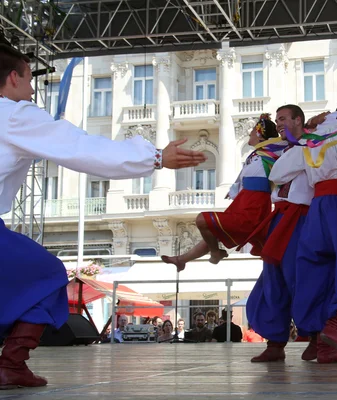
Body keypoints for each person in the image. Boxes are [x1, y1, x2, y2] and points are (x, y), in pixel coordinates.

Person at [0, 44, 206, 390]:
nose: (33, 89)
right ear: (12, 77)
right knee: (47, 274)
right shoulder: (14, 114)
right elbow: (80, 148)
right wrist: (154, 158)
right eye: (28, 78)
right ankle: (11, 364)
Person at [270, 100, 337, 364]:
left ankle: (321, 342)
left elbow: (278, 172)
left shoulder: (312, 138)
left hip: (315, 209)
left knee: (315, 271)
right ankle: (336, 327)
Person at [161, 114, 283, 269]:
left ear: (259, 134)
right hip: (244, 201)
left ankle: (215, 253)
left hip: (254, 207)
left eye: (252, 130)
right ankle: (182, 260)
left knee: (202, 220)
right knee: (213, 231)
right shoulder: (256, 154)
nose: (249, 133)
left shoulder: (275, 150)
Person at [244, 104, 314, 363]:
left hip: (302, 217)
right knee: (273, 278)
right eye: (276, 120)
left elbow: (278, 173)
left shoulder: (311, 144)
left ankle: (315, 336)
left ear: (298, 119)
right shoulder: (280, 149)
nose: (279, 124)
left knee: (302, 276)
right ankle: (275, 343)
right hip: (280, 216)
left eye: (283, 118)